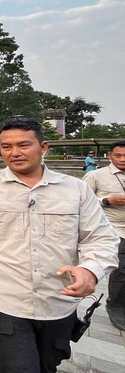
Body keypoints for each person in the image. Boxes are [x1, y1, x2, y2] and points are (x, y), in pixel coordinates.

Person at [0, 117, 119, 372]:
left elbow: (101, 237)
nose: (14, 153)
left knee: (48, 365)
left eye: (23, 145)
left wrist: (91, 270)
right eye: (6, 146)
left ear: (44, 147)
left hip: (57, 302)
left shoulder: (75, 189)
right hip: (4, 300)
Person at [83, 140, 125, 330]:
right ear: (110, 156)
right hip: (112, 228)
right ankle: (115, 306)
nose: (122, 159)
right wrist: (107, 200)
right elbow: (82, 201)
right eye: (118, 155)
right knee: (121, 269)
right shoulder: (96, 176)